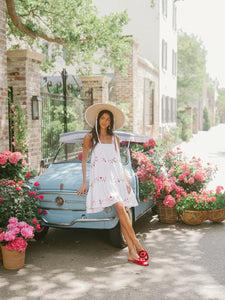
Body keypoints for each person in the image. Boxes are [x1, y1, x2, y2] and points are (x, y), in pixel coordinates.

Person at [77, 103, 149, 266]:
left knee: (121, 211)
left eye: (107, 119)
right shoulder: (90, 137)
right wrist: (84, 182)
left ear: (110, 123)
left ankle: (132, 252)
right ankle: (137, 244)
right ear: (98, 119)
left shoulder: (115, 138)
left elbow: (118, 162)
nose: (104, 121)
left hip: (115, 178)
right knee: (121, 206)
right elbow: (84, 160)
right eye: (102, 118)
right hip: (101, 179)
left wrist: (126, 180)